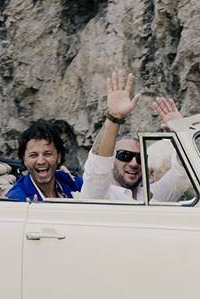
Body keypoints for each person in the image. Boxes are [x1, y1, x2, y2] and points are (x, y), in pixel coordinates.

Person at [80, 71, 192, 202]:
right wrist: (114, 118)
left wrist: (182, 131)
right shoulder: (99, 195)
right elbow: (99, 166)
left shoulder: (152, 196)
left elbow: (181, 174)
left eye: (140, 158)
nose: (134, 163)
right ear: (112, 160)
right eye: (124, 155)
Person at [6, 120, 84, 201]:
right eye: (33, 155)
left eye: (47, 154)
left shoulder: (71, 182)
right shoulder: (17, 199)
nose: (41, 161)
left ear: (59, 157)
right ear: (24, 160)